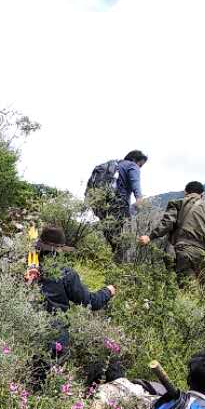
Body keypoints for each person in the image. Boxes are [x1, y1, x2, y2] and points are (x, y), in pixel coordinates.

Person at [26, 224, 115, 386]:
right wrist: (107, 291)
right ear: (60, 249)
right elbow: (90, 302)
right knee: (49, 383)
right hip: (55, 335)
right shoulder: (66, 273)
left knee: (31, 379)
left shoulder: (29, 269)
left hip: (28, 330)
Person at [140, 179, 205, 286]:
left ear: (185, 192)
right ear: (202, 195)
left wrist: (150, 237)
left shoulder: (177, 204)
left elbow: (167, 224)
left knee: (187, 289)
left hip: (184, 252)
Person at [87, 151, 148, 260]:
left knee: (111, 236)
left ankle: (112, 263)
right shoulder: (132, 165)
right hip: (119, 205)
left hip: (103, 205)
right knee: (122, 240)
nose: (140, 168)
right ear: (134, 160)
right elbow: (135, 183)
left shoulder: (115, 165)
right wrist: (139, 199)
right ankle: (119, 268)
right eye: (141, 165)